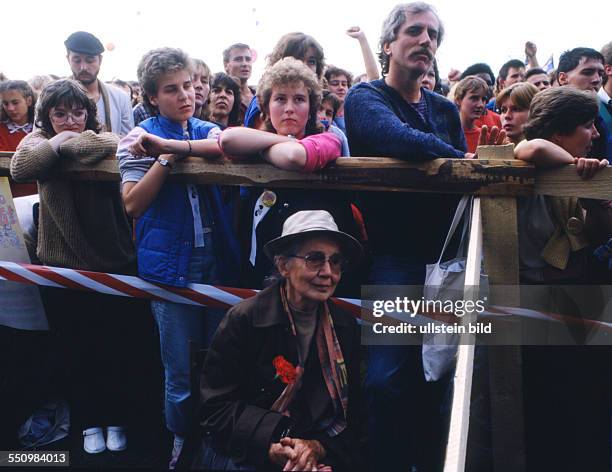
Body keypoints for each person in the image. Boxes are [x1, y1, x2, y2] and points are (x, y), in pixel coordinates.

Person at [344, 3, 504, 470]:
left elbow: (447, 166)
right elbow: (398, 139)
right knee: (387, 377)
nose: (426, 40)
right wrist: (458, 159)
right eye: (414, 31)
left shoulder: (441, 108)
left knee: (442, 374)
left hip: (448, 257)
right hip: (397, 257)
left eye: (433, 34)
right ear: (389, 43)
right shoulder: (365, 97)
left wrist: (455, 162)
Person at [117, 47, 240, 468]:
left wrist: (172, 145)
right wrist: (168, 158)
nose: (186, 95)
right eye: (172, 90)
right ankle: (182, 440)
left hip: (218, 262)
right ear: (151, 97)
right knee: (181, 371)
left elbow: (223, 147)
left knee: (218, 362)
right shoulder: (136, 138)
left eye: (188, 85)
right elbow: (132, 204)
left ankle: (213, 437)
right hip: (171, 267)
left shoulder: (207, 129)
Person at [10, 78, 136, 454]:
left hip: (112, 262)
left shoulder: (102, 138)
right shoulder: (36, 141)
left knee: (113, 347)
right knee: (75, 348)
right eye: (60, 114)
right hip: (61, 265)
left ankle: (116, 418)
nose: (70, 120)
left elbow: (110, 143)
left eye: (78, 112)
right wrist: (60, 141)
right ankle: (88, 421)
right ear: (46, 116)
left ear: (90, 112)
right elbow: (23, 165)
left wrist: (65, 143)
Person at [187, 210, 364, 472]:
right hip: (247, 449)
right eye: (314, 259)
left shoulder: (344, 326)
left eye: (335, 261)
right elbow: (215, 410)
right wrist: (271, 447)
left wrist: (317, 448)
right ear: (283, 266)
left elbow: (355, 417)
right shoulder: (245, 319)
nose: (328, 272)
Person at [219, 57, 358, 291]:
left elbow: (294, 155)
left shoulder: (328, 139)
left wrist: (264, 148)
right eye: (280, 99)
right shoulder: (256, 142)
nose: (290, 108)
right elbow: (229, 139)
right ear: (265, 107)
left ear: (311, 107)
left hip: (318, 276)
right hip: (263, 274)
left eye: (300, 99)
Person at [243, 32, 325, 129]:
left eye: (311, 61)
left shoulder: (329, 138)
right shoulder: (262, 101)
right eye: (297, 59)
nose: (304, 66)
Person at [64, 31, 133, 135]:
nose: (83, 67)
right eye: (77, 60)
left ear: (100, 60)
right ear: (68, 60)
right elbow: (38, 141)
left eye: (90, 60)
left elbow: (128, 144)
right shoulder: (50, 96)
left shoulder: (120, 98)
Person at [557, 47, 610, 160]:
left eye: (600, 73)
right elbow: (530, 148)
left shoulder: (598, 117)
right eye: (588, 72)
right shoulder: (548, 112)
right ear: (563, 78)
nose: (597, 79)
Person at [0, 80, 37, 196]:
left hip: (40, 196)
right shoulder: (1, 129)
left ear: (29, 101)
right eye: (6, 104)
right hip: (8, 197)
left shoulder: (41, 128)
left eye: (15, 102)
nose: (10, 108)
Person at [453, 76, 503, 152]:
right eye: (474, 98)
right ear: (458, 100)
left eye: (483, 99)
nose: (480, 105)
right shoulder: (445, 133)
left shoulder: (485, 136)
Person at [223, 43, 256, 117]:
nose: (245, 64)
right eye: (238, 59)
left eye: (248, 59)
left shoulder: (259, 96)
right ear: (226, 65)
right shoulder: (220, 97)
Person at [324, 66, 352, 133]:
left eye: (344, 84)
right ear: (325, 86)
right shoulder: (319, 113)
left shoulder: (354, 114)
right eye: (335, 84)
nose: (341, 87)